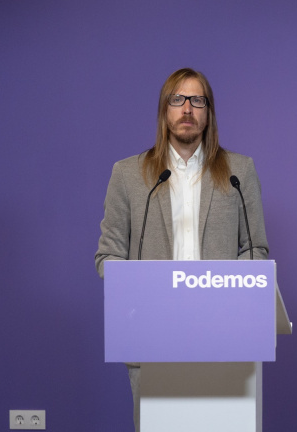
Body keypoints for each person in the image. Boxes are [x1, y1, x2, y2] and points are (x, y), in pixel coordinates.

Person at [95, 68, 269, 432]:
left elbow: (255, 249)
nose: (187, 108)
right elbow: (108, 256)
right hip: (153, 336)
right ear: (164, 109)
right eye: (178, 99)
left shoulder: (239, 170)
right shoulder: (127, 174)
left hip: (223, 335)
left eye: (197, 100)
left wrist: (224, 289)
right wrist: (142, 287)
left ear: (208, 112)